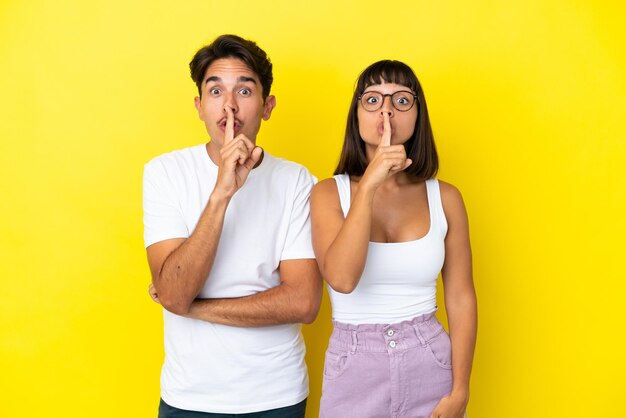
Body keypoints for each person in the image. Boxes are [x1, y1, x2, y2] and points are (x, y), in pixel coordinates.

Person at [143, 34, 322, 418]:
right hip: (189, 398)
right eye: (215, 91)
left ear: (267, 105)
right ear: (199, 106)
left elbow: (304, 302)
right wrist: (223, 192)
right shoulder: (164, 173)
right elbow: (174, 290)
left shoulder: (297, 181)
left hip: (277, 396)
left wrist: (194, 309)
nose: (229, 106)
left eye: (244, 90)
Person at [311, 60, 477, 418]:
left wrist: (460, 391)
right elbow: (341, 279)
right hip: (353, 366)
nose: (386, 109)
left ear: (418, 115)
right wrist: (369, 183)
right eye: (372, 100)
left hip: (430, 361)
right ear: (356, 115)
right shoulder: (328, 193)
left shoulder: (445, 197)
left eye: (401, 100)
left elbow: (461, 298)